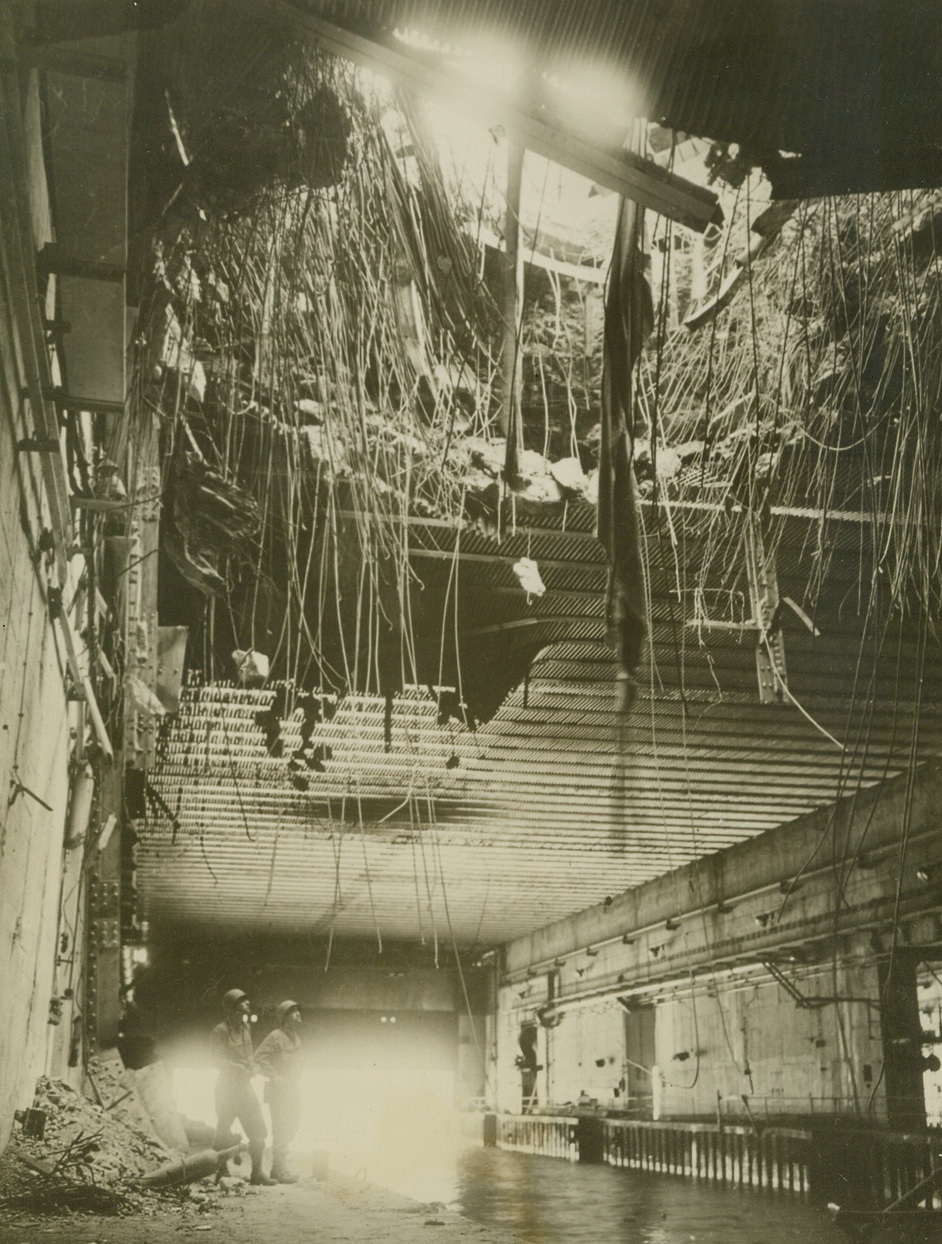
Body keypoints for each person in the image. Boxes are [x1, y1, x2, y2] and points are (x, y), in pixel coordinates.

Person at [211, 988, 275, 1186]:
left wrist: (254, 1066)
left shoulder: (246, 1029)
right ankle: (221, 1171)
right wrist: (236, 1068)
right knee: (223, 1131)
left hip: (245, 1087)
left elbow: (250, 1056)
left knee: (258, 1130)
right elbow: (216, 1060)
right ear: (232, 1008)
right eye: (242, 1004)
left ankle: (257, 1173)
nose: (247, 1007)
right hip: (227, 1088)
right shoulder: (220, 1030)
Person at [256, 999, 304, 1183]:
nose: (298, 1014)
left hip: (293, 1089)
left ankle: (281, 1166)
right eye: (293, 1012)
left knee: (291, 1126)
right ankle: (278, 1169)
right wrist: (274, 1076)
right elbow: (259, 1057)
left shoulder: (296, 1038)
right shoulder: (275, 1036)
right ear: (285, 1017)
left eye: (298, 1011)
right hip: (279, 1090)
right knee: (281, 1128)